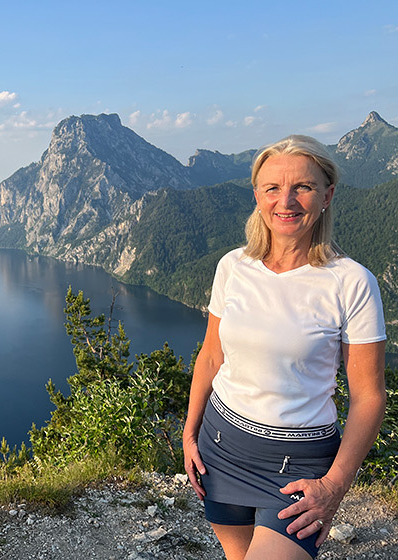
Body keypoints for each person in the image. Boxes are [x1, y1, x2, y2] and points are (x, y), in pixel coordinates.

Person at [183, 135, 386, 560]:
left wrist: (333, 485)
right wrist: (189, 433)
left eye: (304, 187)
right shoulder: (233, 266)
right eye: (272, 188)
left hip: (299, 466)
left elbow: (368, 397)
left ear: (327, 194)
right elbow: (211, 356)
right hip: (220, 446)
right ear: (257, 195)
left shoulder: (351, 283)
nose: (286, 201)